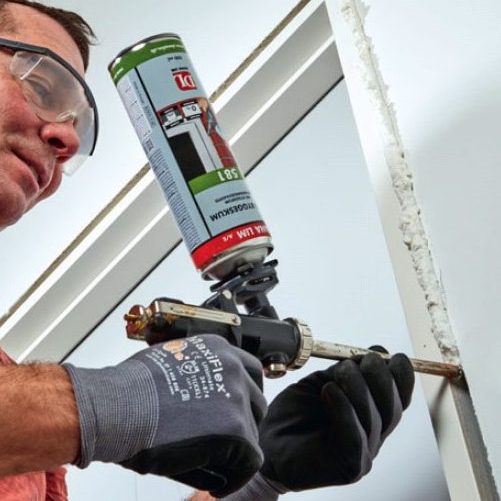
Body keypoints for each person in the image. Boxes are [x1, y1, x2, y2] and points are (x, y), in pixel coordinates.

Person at [0, 1, 415, 500]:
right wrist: (112, 403)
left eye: (80, 127)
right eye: (42, 88)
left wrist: (261, 479)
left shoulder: (34, 457)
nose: (67, 137)